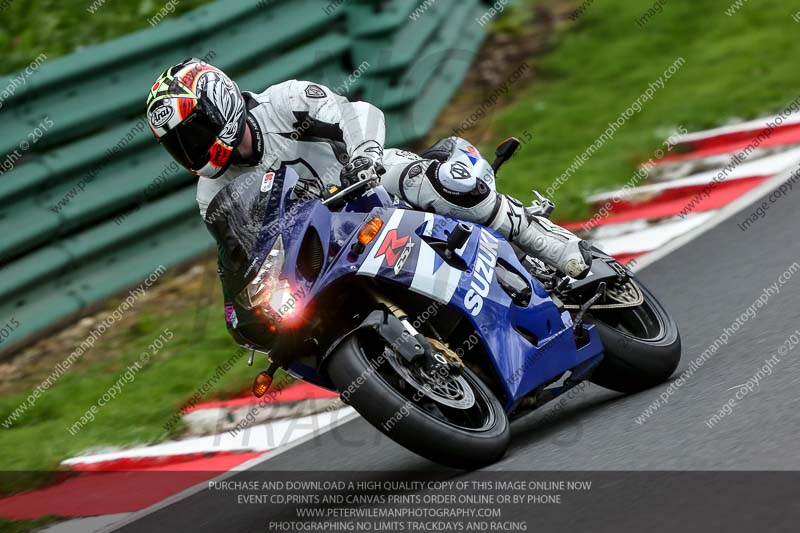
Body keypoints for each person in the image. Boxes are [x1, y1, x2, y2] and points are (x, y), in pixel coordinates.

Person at [145, 58, 591, 278]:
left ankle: (539, 238)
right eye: (179, 144)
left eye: (195, 131)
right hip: (327, 246)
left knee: (439, 180)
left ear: (219, 102)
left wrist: (364, 158)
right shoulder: (211, 197)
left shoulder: (284, 102)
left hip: (372, 187)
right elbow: (241, 255)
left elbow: (358, 113)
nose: (192, 148)